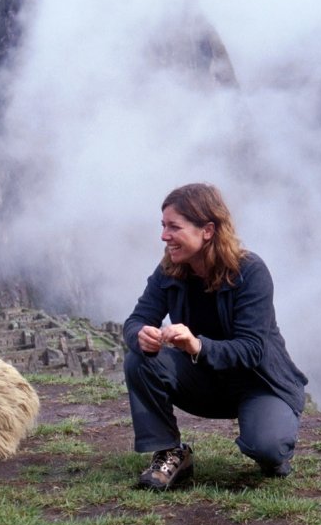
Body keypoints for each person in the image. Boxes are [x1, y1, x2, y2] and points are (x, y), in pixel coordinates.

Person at [123, 183, 308, 490]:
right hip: (205, 382)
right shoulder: (169, 271)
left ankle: (273, 445)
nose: (164, 236)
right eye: (163, 226)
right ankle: (170, 453)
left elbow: (252, 349)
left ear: (207, 230)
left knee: (267, 448)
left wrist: (197, 345)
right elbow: (136, 320)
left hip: (259, 382)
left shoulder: (250, 271)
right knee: (139, 358)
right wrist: (140, 335)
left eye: (174, 227)